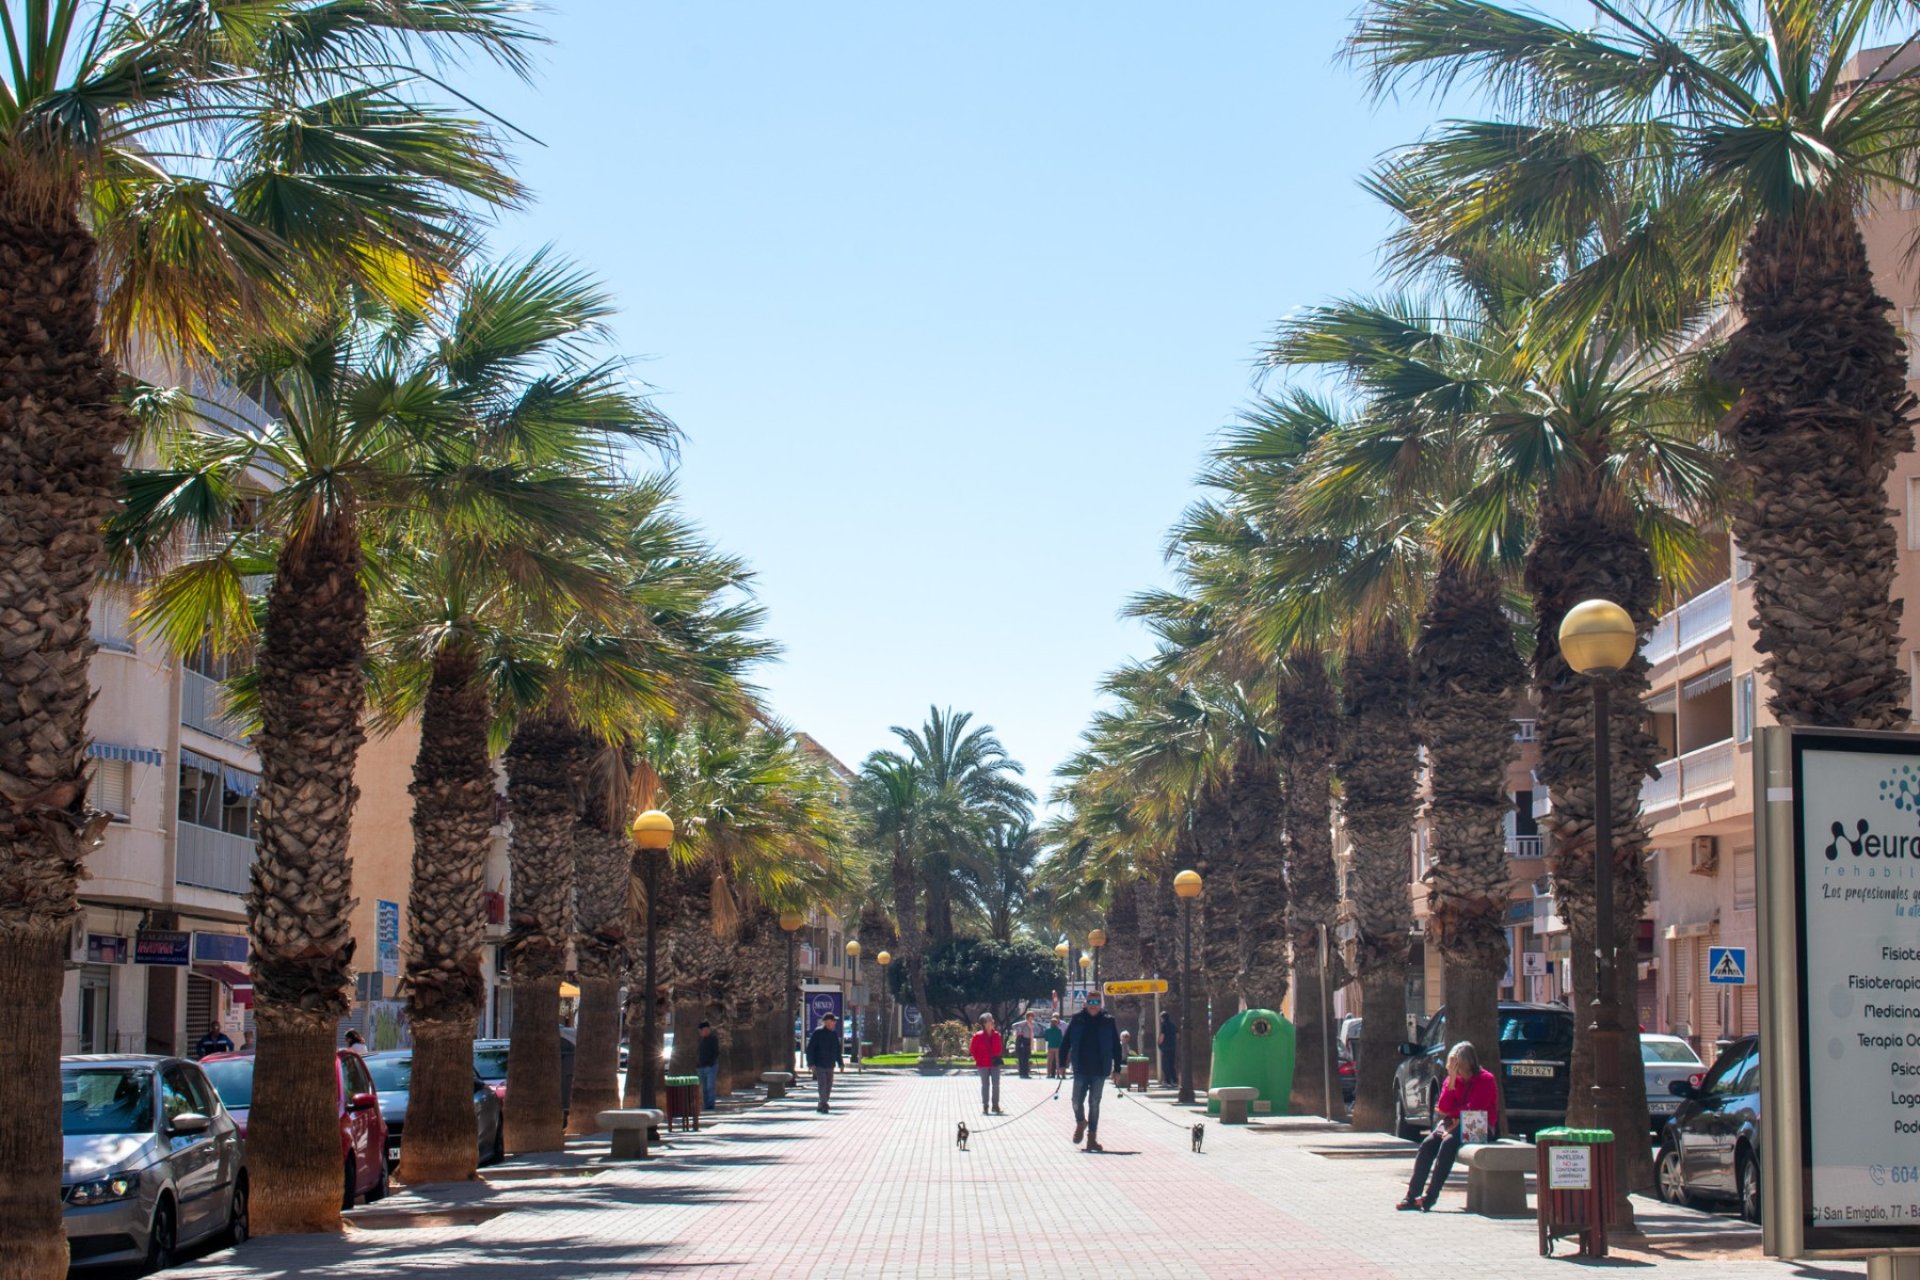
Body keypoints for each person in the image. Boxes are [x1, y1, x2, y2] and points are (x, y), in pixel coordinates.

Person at [1398, 1041, 1499, 1211]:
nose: (1456, 1071)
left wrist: (1454, 1115)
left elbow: (1474, 1109)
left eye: (1458, 1067)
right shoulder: (1452, 1080)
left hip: (1480, 1125)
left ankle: (1430, 1197)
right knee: (1428, 1144)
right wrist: (1451, 1082)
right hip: (1453, 1124)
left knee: (1448, 1144)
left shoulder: (1485, 1080)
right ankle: (1412, 1195)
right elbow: (1443, 1107)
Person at [1063, 992, 1127, 1151]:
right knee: (1076, 1101)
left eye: (1096, 1002)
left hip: (1100, 1069)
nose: (1093, 1005)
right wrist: (1062, 1064)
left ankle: (1092, 1138)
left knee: (1094, 1103)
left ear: (1101, 1004)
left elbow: (1116, 1047)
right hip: (1080, 1068)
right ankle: (1080, 1122)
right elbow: (1066, 1041)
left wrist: (1117, 1069)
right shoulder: (1077, 1019)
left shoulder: (1108, 1021)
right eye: (1090, 1001)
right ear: (1085, 1003)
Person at [805, 1013, 844, 1113]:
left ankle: (821, 1103)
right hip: (819, 1064)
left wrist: (840, 1063)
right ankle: (824, 1103)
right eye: (832, 1021)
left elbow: (837, 1050)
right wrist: (811, 1063)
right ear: (826, 1022)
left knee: (828, 1085)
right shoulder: (818, 1032)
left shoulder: (834, 1034)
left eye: (834, 1021)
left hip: (830, 1064)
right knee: (822, 1084)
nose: (834, 1023)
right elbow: (810, 1049)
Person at [970, 1014, 1005, 1115]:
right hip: (983, 1064)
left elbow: (999, 1049)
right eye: (990, 1020)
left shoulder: (997, 1035)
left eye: (992, 1020)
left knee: (996, 1085)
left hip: (995, 1064)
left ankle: (995, 1105)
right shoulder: (978, 1036)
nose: (992, 1021)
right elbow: (973, 1050)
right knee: (985, 1085)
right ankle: (985, 1106)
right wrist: (979, 1059)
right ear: (984, 1023)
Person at [696, 1020, 721, 1111]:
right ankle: (706, 1105)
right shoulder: (699, 1040)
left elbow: (716, 1052)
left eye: (707, 1029)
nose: (705, 1031)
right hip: (701, 1067)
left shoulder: (713, 1039)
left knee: (710, 1086)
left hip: (711, 1066)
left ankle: (710, 1105)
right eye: (703, 1030)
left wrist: (711, 1063)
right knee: (704, 1088)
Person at [1013, 1012, 1036, 1079]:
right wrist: (1019, 1031)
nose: (1031, 1018)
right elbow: (1014, 1025)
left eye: (1032, 1016)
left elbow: (1031, 1033)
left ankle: (1025, 1072)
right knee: (1022, 1058)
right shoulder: (1024, 1023)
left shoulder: (1032, 1024)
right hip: (1023, 1041)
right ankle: (1023, 1073)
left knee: (1027, 1057)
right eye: (1030, 1016)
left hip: (1028, 1040)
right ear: (1028, 1017)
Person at [1159, 1009, 1178, 1088]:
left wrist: (1159, 1044)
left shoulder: (1164, 1025)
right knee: (1171, 1064)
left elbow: (1162, 1036)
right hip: (1172, 1047)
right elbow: (1177, 1035)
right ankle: (1174, 1081)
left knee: (1165, 1065)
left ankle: (1167, 1081)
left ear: (1163, 1018)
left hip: (1165, 1048)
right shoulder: (1173, 1025)